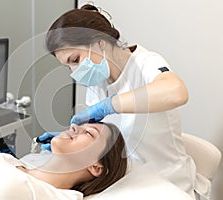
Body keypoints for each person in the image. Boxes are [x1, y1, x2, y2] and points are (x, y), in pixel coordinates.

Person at [40, 3, 196, 198]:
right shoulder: (97, 80)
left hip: (167, 184)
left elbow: (176, 92)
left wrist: (109, 106)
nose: (74, 72)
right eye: (68, 66)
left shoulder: (145, 63)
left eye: (75, 60)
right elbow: (102, 140)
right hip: (126, 180)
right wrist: (71, 138)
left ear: (99, 42)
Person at [0, 122, 127, 199]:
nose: (74, 128)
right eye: (78, 125)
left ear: (96, 166)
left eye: (88, 133)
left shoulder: (55, 197)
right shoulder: (7, 161)